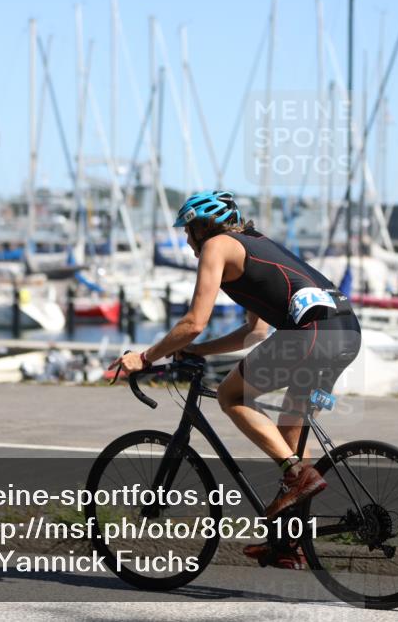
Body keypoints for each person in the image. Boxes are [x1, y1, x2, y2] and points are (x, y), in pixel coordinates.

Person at [109, 190, 361, 568]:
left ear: (200, 227)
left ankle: (296, 476)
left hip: (310, 337)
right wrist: (197, 351)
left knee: (232, 396)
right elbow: (254, 334)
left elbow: (194, 321)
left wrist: (144, 358)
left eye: (188, 232)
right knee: (289, 437)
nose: (188, 243)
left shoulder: (217, 246)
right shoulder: (255, 246)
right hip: (344, 334)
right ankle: (288, 543)